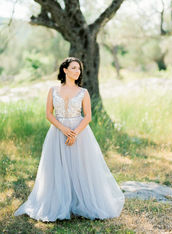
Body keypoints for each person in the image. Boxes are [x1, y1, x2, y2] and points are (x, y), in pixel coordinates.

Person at [14, 57, 125, 222]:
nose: (77, 71)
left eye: (79, 69)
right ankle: (58, 202)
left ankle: (82, 202)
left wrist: (74, 133)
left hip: (80, 133)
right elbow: (48, 114)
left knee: (81, 167)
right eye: (73, 68)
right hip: (57, 133)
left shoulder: (83, 92)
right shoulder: (52, 90)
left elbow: (88, 116)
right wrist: (63, 129)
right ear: (65, 70)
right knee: (57, 167)